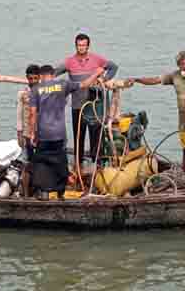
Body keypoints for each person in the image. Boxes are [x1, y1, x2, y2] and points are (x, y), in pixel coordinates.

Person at [29, 64, 105, 200]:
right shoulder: (63, 84)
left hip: (43, 134)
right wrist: (96, 73)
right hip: (59, 133)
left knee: (42, 162)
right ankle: (60, 193)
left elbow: (33, 114)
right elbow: (84, 84)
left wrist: (32, 133)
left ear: (40, 76)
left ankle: (44, 192)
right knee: (60, 161)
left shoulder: (36, 89)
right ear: (53, 75)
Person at [131, 50, 185, 188]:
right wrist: (137, 80)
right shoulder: (175, 76)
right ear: (178, 65)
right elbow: (155, 80)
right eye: (182, 64)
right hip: (183, 122)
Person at [55, 33, 118, 165]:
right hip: (77, 105)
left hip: (94, 106)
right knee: (79, 136)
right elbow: (54, 73)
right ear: (75, 46)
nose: (81, 48)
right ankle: (78, 163)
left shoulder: (97, 59)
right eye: (79, 45)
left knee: (96, 136)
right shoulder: (69, 62)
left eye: (84, 45)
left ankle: (98, 163)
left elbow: (113, 67)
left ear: (88, 46)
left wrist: (104, 79)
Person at [16, 64, 40, 197]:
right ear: (27, 78)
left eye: (35, 78)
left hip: (39, 135)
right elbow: (19, 114)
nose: (33, 81)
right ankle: (25, 193)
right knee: (26, 164)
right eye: (30, 78)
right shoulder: (23, 94)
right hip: (26, 134)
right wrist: (19, 133)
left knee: (39, 163)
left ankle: (38, 190)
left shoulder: (43, 92)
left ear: (39, 78)